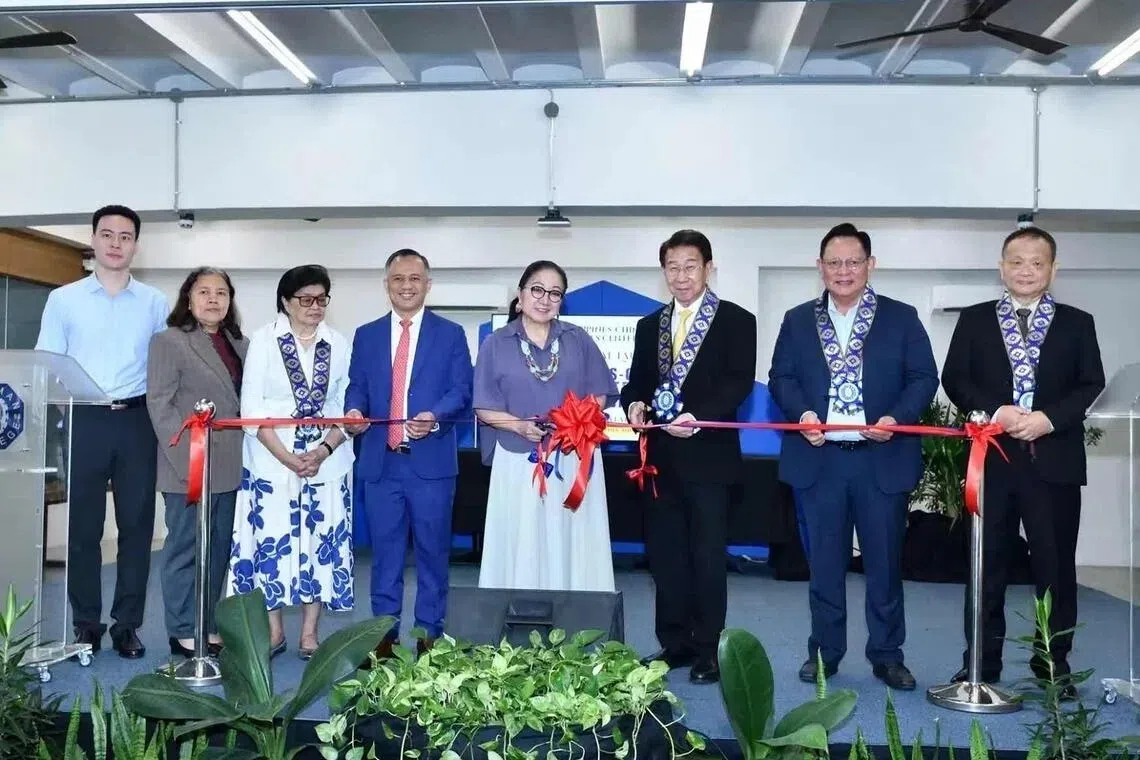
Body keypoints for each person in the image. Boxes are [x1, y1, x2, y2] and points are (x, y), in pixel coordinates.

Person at [768, 223, 938, 691]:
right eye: (834, 262)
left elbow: (924, 377)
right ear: (819, 267)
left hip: (879, 458)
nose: (843, 271)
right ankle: (824, 653)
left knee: (884, 564)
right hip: (819, 459)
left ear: (870, 265)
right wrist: (802, 413)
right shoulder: (797, 319)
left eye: (853, 261)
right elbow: (780, 377)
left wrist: (895, 419)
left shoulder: (901, 318)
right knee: (824, 565)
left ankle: (887, 655)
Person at [941, 226, 1104, 697]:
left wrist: (1048, 419)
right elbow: (956, 378)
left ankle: (1052, 662)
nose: (1026, 270)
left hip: (1053, 464)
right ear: (1001, 266)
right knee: (985, 565)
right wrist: (998, 412)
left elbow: (1089, 384)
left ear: (1053, 269)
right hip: (991, 460)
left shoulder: (1078, 322)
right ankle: (981, 661)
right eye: (1016, 261)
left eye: (1036, 262)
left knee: (1054, 568)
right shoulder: (974, 320)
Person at [620, 229, 756, 684]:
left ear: (709, 267)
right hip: (659, 461)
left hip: (709, 460)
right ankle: (673, 643)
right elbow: (635, 383)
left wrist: (700, 415)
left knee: (706, 557)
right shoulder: (649, 325)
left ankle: (709, 649)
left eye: (690, 266)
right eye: (672, 267)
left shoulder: (737, 320)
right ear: (664, 272)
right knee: (666, 557)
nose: (681, 276)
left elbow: (738, 384)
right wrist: (634, 405)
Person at [35, 204, 168, 659]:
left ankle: (126, 625)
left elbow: (163, 367)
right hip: (85, 418)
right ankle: (86, 624)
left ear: (136, 244)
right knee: (83, 529)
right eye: (107, 234)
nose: (115, 243)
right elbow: (47, 364)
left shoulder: (154, 302)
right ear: (93, 240)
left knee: (136, 526)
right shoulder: (64, 300)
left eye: (125, 236)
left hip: (136, 420)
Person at [344, 249, 473, 661]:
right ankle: (382, 638)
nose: (406, 285)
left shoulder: (450, 334)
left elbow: (462, 392)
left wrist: (434, 417)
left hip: (431, 465)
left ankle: (429, 638)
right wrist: (354, 411)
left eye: (414, 278)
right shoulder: (366, 335)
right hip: (381, 464)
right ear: (386, 285)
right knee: (384, 556)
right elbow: (358, 386)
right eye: (397, 278)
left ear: (427, 284)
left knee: (434, 555)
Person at [227, 265, 355, 659]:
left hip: (326, 463)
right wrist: (288, 458)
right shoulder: (265, 341)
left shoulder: (339, 343)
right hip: (271, 461)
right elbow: (252, 408)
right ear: (286, 301)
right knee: (273, 545)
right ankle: (275, 630)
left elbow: (345, 407)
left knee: (321, 546)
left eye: (321, 299)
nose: (315, 307)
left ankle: (310, 633)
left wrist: (322, 451)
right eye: (306, 299)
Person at [473, 260, 617, 593]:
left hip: (571, 459)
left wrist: (575, 422)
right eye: (537, 289)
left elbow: (600, 393)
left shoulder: (578, 339)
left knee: (571, 538)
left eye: (555, 293)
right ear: (520, 296)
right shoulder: (496, 343)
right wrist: (518, 426)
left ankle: (576, 626)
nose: (545, 298)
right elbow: (483, 407)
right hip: (517, 460)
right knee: (521, 543)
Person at [146, 267, 248, 659]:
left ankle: (208, 623)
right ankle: (183, 628)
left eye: (221, 292)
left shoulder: (240, 343)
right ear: (188, 298)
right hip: (186, 463)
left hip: (229, 464)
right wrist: (187, 456)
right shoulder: (168, 341)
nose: (213, 299)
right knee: (185, 548)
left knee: (218, 549)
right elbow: (159, 402)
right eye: (203, 291)